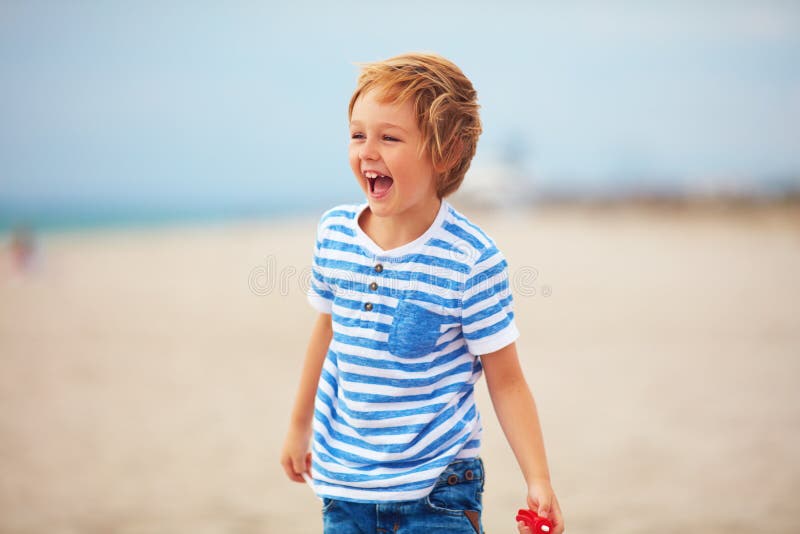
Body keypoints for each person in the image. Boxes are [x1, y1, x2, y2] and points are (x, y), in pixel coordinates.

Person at [280, 52, 564, 534]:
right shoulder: (334, 235)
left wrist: (538, 478)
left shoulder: (471, 259)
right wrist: (297, 425)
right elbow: (327, 330)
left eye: (389, 137)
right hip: (345, 486)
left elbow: (507, 380)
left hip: (439, 489)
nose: (368, 151)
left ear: (446, 153)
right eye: (357, 135)